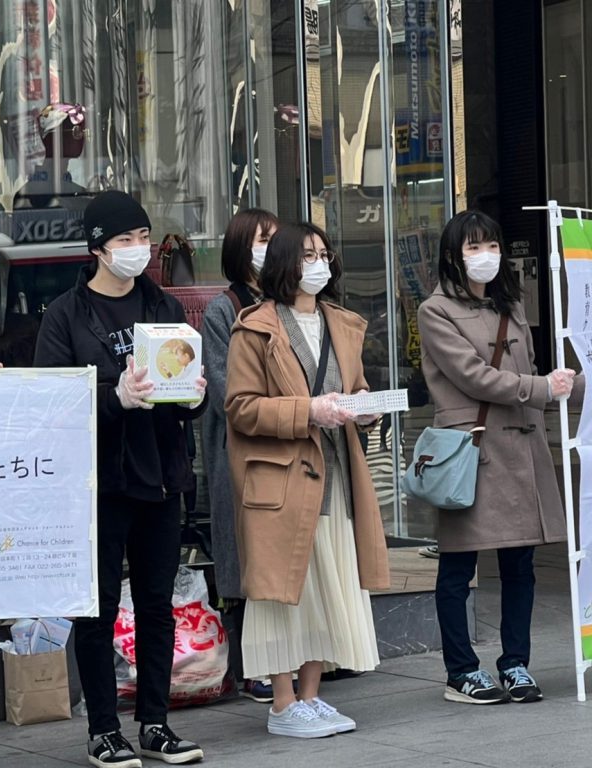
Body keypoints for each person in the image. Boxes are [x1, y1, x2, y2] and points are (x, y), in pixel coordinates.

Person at [33, 190, 207, 768]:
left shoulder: (163, 306)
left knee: (157, 604)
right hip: (100, 483)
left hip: (161, 477)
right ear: (97, 248)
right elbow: (54, 403)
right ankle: (103, 730)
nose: (138, 249)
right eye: (125, 240)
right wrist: (116, 398)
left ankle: (155, 723)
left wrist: (194, 398)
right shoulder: (65, 315)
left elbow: (185, 385)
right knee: (99, 608)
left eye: (143, 238)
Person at [225, 222, 389, 739]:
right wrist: (308, 410)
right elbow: (240, 407)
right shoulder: (255, 328)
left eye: (324, 254)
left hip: (337, 475)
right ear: (284, 264)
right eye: (307, 255)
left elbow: (355, 388)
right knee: (282, 591)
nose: (319, 264)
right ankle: (281, 703)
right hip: (281, 481)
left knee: (326, 585)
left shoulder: (342, 323)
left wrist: (365, 409)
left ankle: (311, 696)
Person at [417, 210, 577, 704]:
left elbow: (527, 367)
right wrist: (541, 388)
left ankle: (515, 663)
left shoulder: (510, 302)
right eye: (473, 247)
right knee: (458, 566)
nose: (485, 256)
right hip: (472, 450)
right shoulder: (435, 310)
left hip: (521, 447)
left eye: (491, 245)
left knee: (520, 564)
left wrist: (565, 382)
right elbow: (472, 375)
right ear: (453, 255)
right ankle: (461, 671)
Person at [199, 207, 279, 703]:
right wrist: (282, 409)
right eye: (261, 239)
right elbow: (224, 388)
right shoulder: (223, 310)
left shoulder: (290, 302)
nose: (271, 248)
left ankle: (294, 658)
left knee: (282, 554)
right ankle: (254, 666)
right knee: (246, 554)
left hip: (289, 445)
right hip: (241, 450)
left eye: (275, 239)